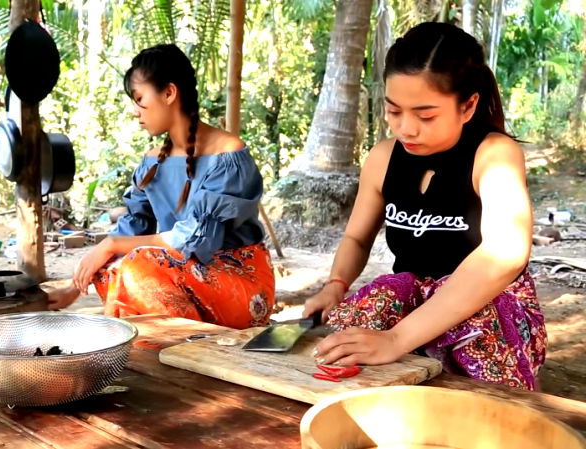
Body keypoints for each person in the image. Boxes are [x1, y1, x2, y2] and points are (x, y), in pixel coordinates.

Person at [304, 22, 547, 390]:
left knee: (474, 393)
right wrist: (336, 284)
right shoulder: (383, 158)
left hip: (484, 304)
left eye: (425, 115)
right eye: (393, 111)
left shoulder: (494, 154)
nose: (406, 129)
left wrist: (398, 339)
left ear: (467, 106)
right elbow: (356, 237)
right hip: (409, 300)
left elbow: (504, 256)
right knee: (338, 358)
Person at [48, 44, 275, 329]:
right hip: (184, 276)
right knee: (110, 269)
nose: (134, 111)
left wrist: (113, 244)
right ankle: (168, 345)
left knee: (135, 266)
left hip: (239, 282)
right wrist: (75, 285)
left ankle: (175, 346)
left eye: (139, 98)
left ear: (169, 93)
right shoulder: (152, 161)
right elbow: (133, 225)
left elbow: (196, 240)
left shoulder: (228, 154)